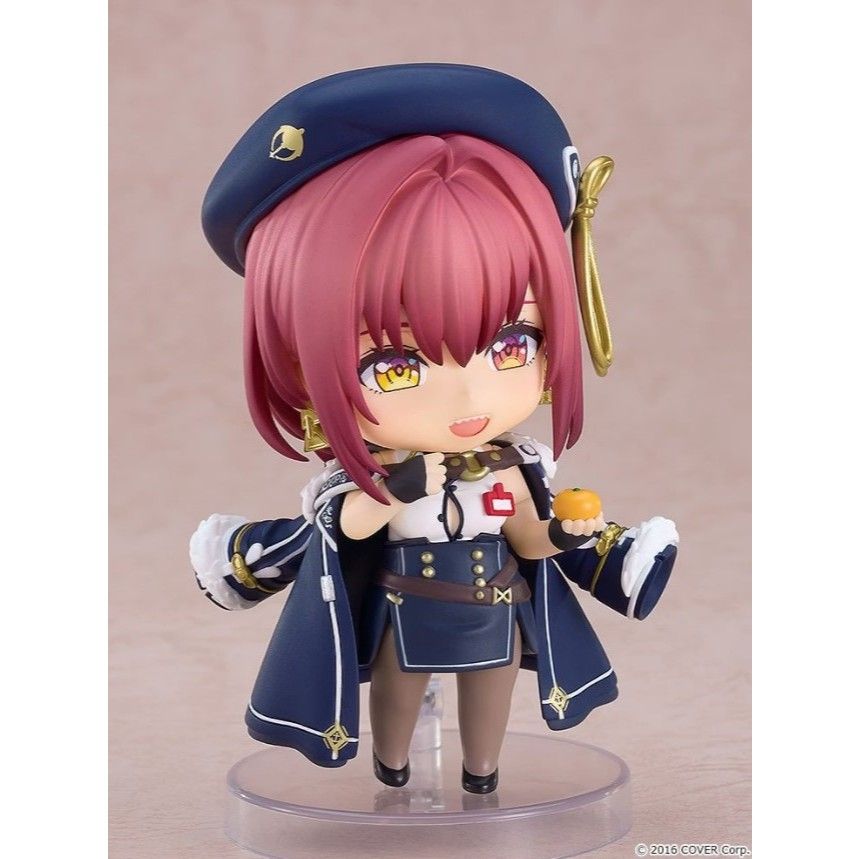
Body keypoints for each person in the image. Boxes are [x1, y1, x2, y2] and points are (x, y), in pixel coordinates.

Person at [190, 64, 678, 794]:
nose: (468, 393)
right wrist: (396, 488)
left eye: (512, 343)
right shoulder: (380, 473)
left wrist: (565, 533)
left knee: (491, 689)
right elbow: (346, 525)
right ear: (300, 356)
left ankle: (482, 774)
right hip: (405, 602)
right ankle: (392, 767)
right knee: (399, 690)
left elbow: (526, 538)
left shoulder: (508, 467)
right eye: (394, 364)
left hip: (494, 604)